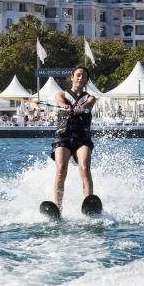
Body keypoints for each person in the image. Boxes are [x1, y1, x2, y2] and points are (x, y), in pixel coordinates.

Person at [50, 65, 98, 210]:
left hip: (82, 138)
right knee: (61, 168)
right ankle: (58, 207)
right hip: (63, 137)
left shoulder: (90, 97)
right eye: (78, 75)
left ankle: (89, 202)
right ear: (72, 77)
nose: (80, 78)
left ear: (87, 80)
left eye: (84, 76)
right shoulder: (62, 94)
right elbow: (59, 101)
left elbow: (89, 105)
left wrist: (81, 108)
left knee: (84, 168)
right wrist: (65, 106)